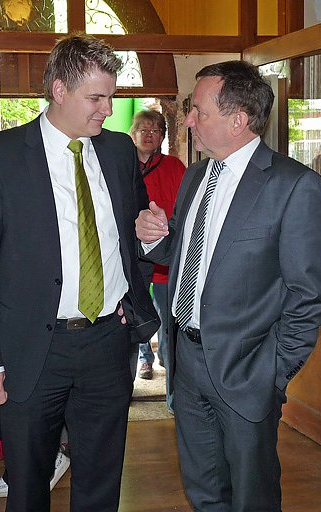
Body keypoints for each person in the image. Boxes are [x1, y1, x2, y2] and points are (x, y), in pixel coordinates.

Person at [0, 33, 159, 512]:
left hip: (108, 342)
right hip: (33, 348)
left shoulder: (117, 151)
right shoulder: (1, 155)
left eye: (110, 97)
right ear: (60, 90)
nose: (108, 110)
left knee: (101, 481)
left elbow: (132, 235)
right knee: (28, 483)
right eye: (97, 98)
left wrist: (146, 249)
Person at [135, 60, 321, 511]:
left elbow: (310, 296)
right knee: (203, 490)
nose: (187, 120)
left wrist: (273, 371)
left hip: (247, 370)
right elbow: (189, 254)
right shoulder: (196, 176)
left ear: (238, 120)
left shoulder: (293, 186)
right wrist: (155, 237)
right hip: (186, 362)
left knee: (251, 496)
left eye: (198, 111)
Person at [129, 110, 185, 399]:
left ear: (162, 136)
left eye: (155, 130)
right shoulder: (123, 166)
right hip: (132, 258)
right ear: (133, 134)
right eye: (143, 130)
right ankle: (144, 359)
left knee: (167, 319)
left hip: (166, 261)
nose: (149, 135)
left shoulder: (174, 166)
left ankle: (167, 367)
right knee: (135, 315)